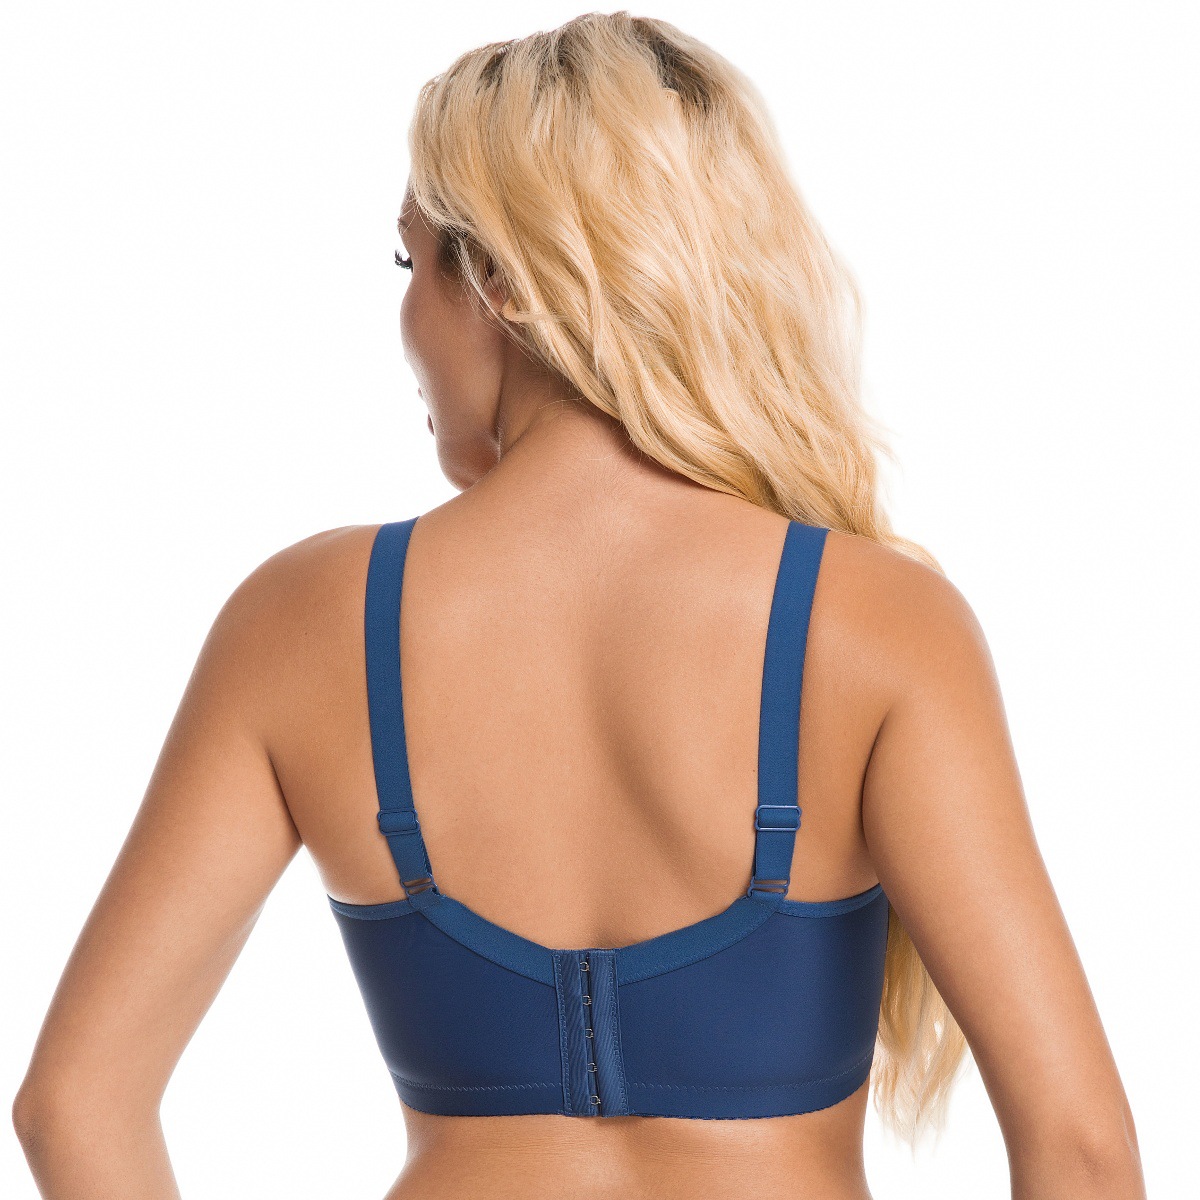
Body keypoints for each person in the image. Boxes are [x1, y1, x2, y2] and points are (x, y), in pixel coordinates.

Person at [13, 12, 1144, 1200]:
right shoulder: (874, 626)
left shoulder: (301, 624)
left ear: (501, 282)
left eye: (412, 266)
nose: (406, 320)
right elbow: (1081, 1149)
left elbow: (76, 1105)